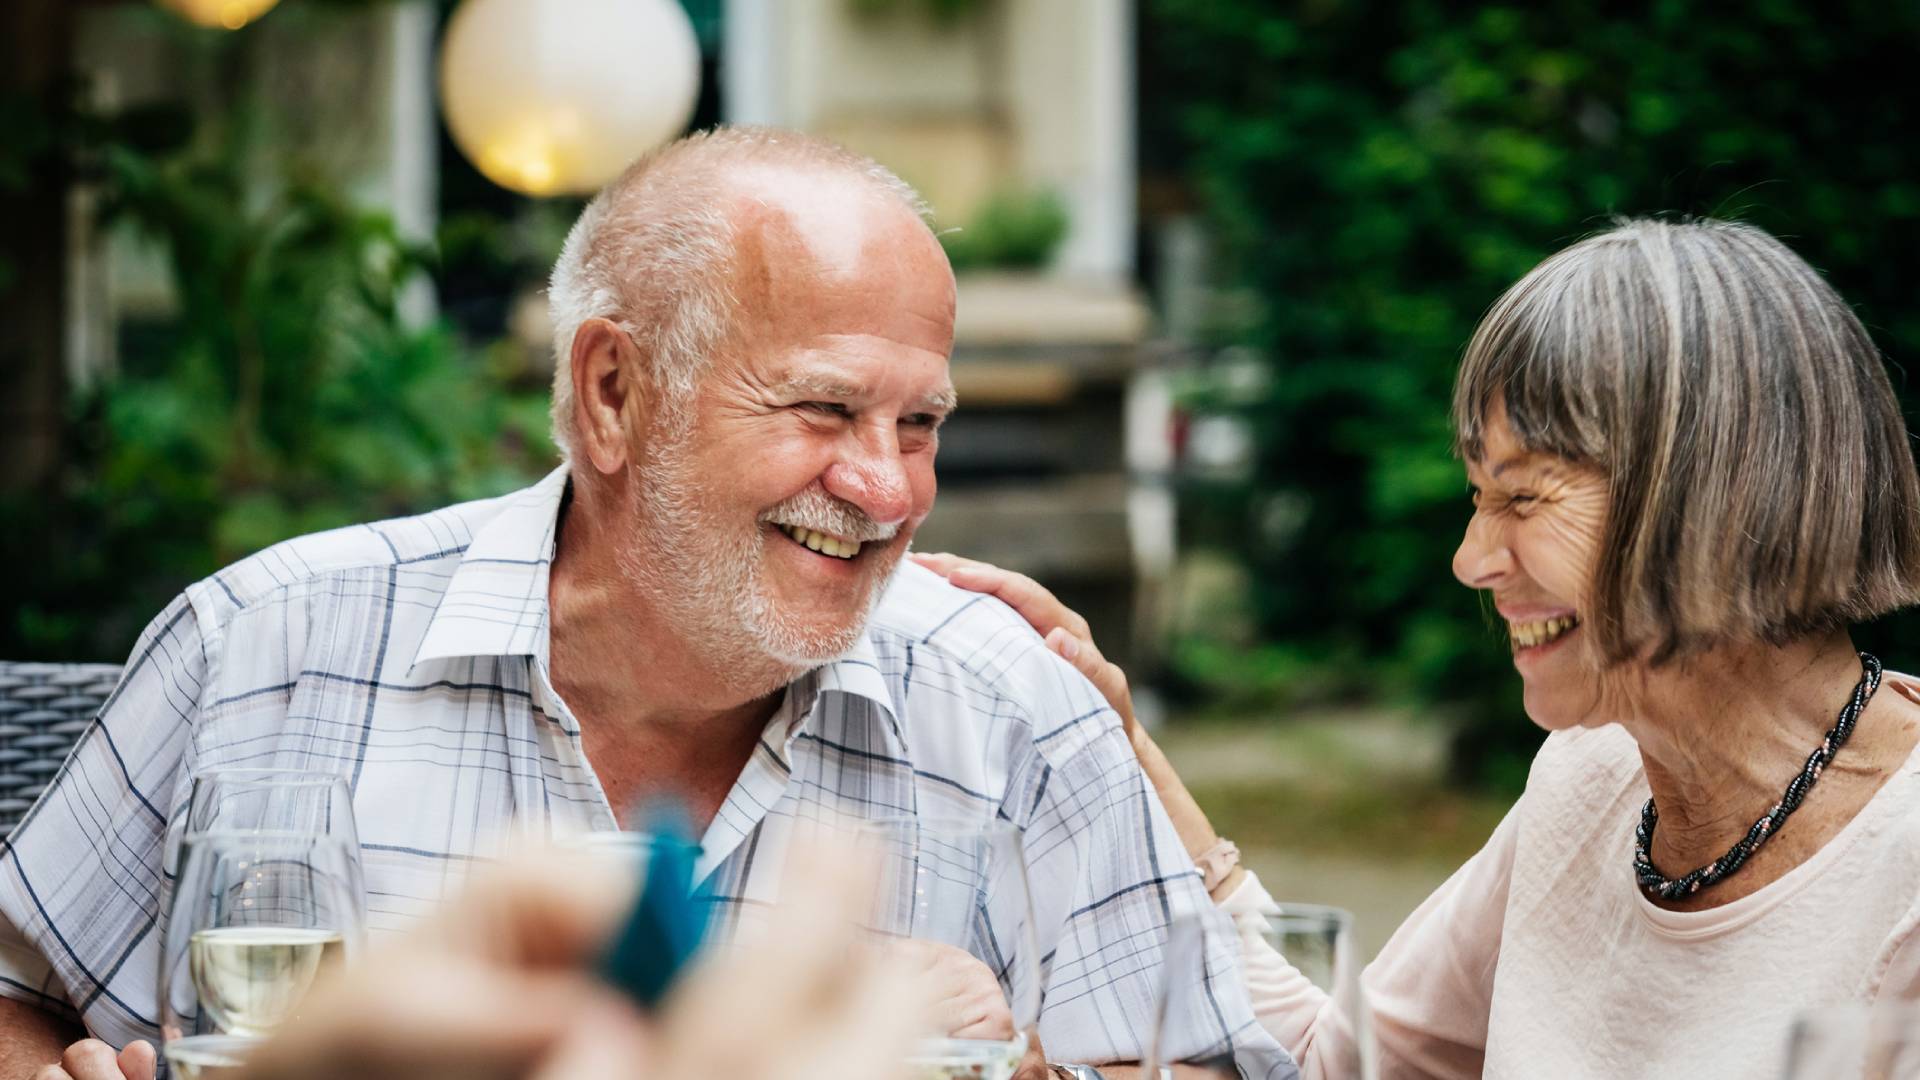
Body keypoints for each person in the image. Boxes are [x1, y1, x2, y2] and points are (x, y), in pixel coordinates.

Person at [0, 128, 1289, 1080]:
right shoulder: (267, 651)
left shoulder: (1014, 712)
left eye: (922, 423)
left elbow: (1201, 1063)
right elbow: (17, 995)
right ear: (614, 394)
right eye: (826, 409)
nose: (888, 486)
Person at [920, 218, 1920, 1078]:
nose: (1472, 559)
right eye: (1476, 496)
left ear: (1718, 499)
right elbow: (1340, 1066)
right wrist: (1130, 758)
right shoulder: (1591, 780)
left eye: (1523, 497)